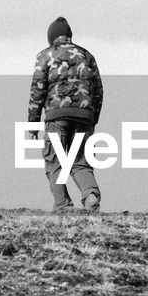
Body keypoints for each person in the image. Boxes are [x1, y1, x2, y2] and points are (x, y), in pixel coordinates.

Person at [27, 16, 103, 213]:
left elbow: (38, 90)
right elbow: (98, 91)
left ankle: (63, 205)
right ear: (69, 35)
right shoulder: (87, 56)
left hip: (56, 117)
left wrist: (33, 122)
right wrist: (92, 118)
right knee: (81, 162)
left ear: (51, 37)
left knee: (54, 160)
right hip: (83, 116)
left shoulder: (45, 56)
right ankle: (90, 194)